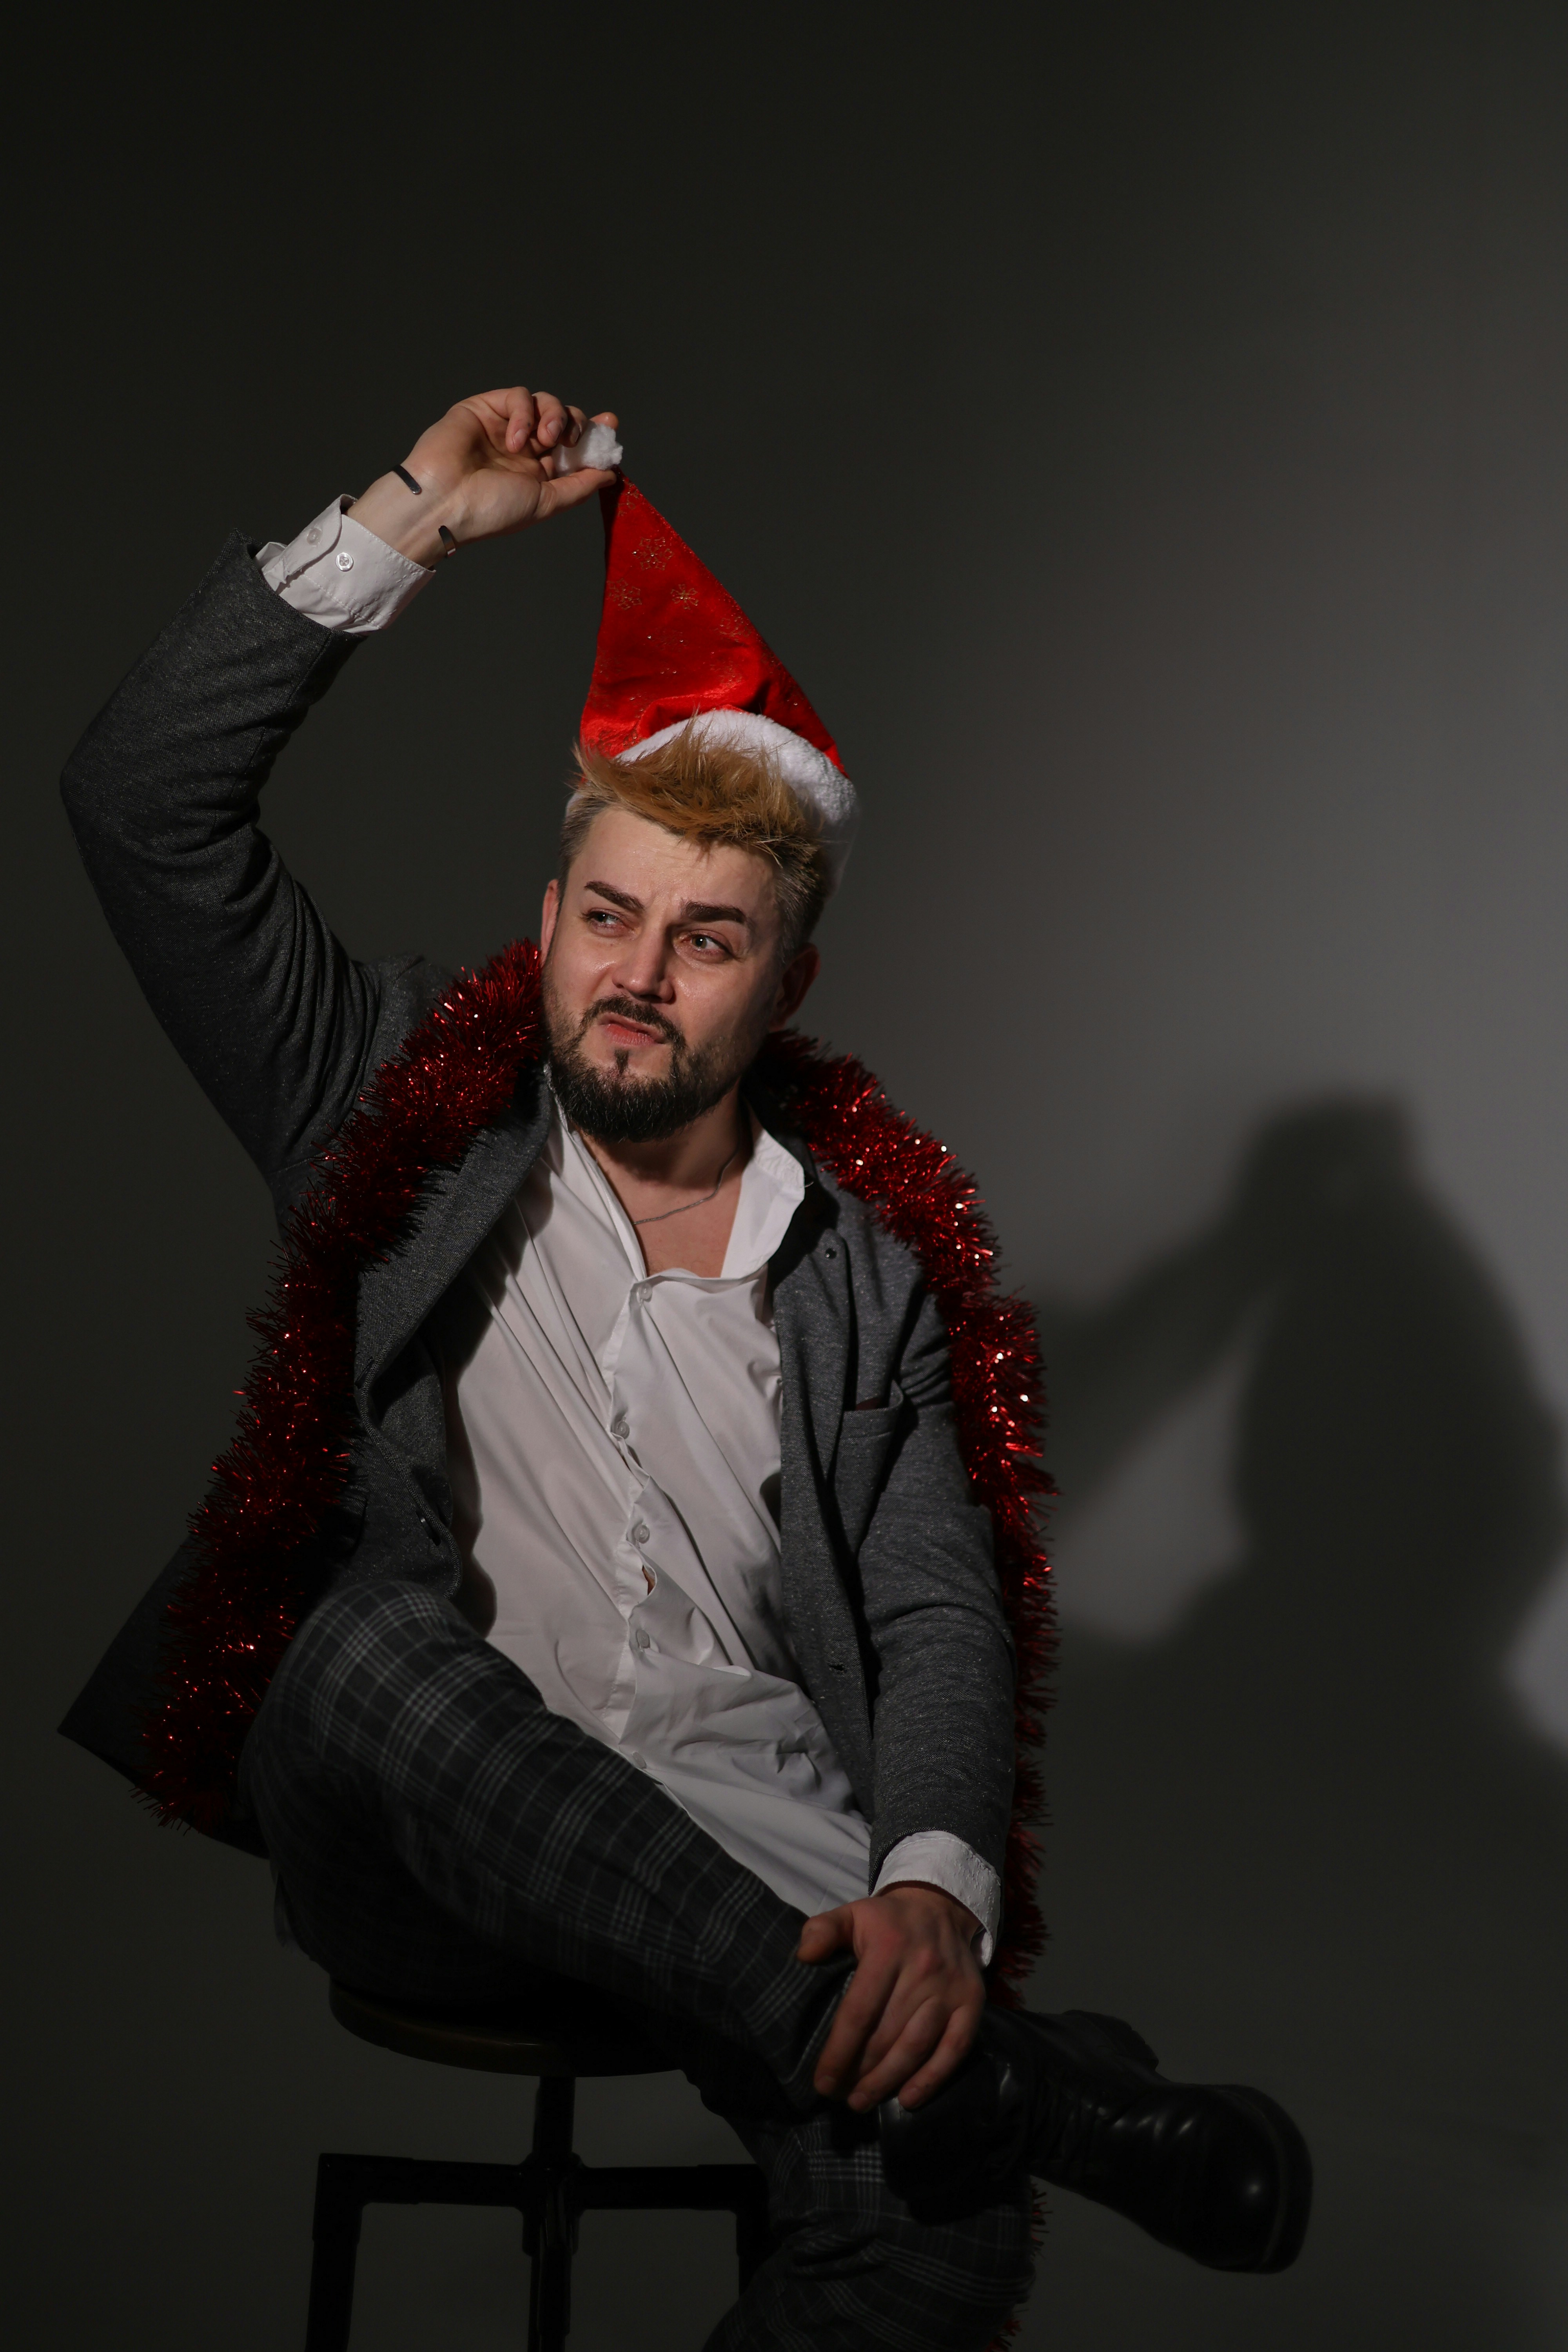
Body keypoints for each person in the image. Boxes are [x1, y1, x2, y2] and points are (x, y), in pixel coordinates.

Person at [60, 382, 1311, 2350]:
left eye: (706, 940)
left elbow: (935, 1607)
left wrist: (930, 1897)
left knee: (924, 2230)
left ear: (787, 982)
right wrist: (410, 520)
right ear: (548, 919)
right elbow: (140, 804)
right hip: (419, 1839)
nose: (636, 976)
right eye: (609, 917)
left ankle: (940, 2089)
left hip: (749, 1844)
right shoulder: (391, 1104)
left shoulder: (866, 1268)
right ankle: (1007, 2083)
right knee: (363, 1648)